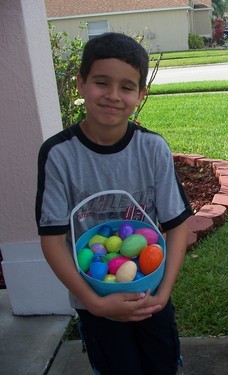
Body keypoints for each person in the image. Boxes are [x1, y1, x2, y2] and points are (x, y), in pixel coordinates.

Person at [36, 32, 193, 374]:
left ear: (140, 94)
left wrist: (163, 292)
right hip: (95, 302)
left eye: (126, 87)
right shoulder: (59, 155)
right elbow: (51, 240)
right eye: (101, 82)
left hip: (150, 294)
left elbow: (178, 225)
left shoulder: (152, 148)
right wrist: (95, 302)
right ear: (80, 84)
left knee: (162, 365)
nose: (112, 96)